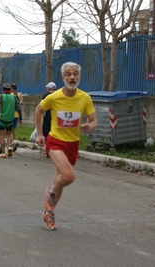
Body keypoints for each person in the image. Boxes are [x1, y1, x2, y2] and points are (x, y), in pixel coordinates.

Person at [35, 62, 97, 231]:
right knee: (68, 176)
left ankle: (49, 212)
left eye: (75, 74)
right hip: (55, 141)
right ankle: (50, 193)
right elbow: (39, 110)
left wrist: (90, 126)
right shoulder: (54, 97)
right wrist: (40, 134)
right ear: (63, 78)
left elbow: (93, 120)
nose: (72, 77)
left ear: (79, 77)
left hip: (73, 143)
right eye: (68, 74)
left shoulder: (84, 98)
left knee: (59, 181)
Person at [0, 83, 22, 159]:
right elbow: (18, 109)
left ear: (3, 89)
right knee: (9, 134)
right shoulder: (14, 97)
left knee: (1, 135)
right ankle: (9, 147)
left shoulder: (1, 97)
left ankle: (3, 152)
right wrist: (20, 118)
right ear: (10, 89)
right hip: (10, 119)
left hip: (2, 119)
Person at [10, 83, 23, 152]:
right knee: (13, 131)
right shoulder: (19, 95)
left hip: (11, 114)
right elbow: (20, 104)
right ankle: (12, 143)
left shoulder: (10, 95)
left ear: (12, 88)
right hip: (17, 115)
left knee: (9, 131)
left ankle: (12, 143)